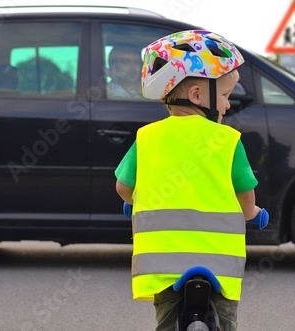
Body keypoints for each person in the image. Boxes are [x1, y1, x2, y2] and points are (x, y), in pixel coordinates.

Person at [114, 30, 268, 331]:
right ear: (197, 95)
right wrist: (252, 214)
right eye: (224, 96)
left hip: (162, 264)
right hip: (219, 262)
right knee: (224, 320)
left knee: (167, 323)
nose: (227, 105)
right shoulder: (227, 140)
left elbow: (124, 187)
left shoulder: (146, 139)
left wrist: (134, 203)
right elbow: (245, 191)